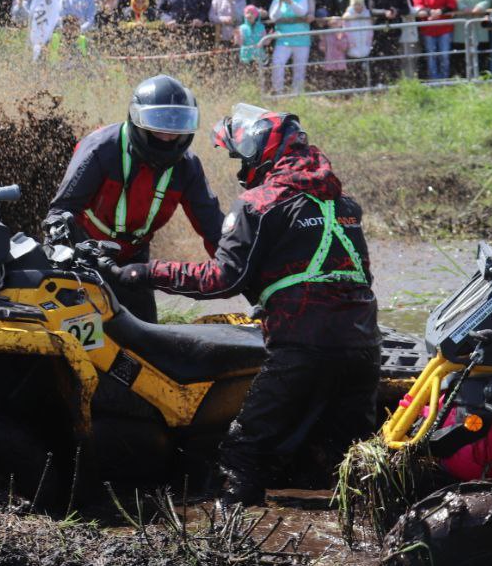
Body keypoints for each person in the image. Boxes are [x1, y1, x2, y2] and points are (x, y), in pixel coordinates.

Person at [104, 105, 378, 506]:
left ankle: (235, 536)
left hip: (301, 348)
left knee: (243, 451)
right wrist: (271, 298)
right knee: (346, 454)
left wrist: (144, 273)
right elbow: (354, 277)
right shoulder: (345, 204)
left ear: (259, 154)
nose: (239, 164)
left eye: (239, 155)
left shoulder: (259, 203)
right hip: (365, 346)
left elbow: (222, 278)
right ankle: (364, 532)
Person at [47, 76, 224, 323]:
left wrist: (243, 272)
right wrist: (72, 255)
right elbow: (61, 212)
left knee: (145, 341)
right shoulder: (100, 149)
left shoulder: (188, 166)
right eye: (159, 124)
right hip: (84, 255)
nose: (168, 135)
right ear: (137, 119)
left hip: (134, 262)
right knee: (79, 339)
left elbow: (214, 229)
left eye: (176, 125)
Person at [413, 0, 457, 80]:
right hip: (428, 28)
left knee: (444, 55)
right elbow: (417, 4)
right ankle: (434, 80)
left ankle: (444, 79)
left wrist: (440, 11)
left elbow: (452, 4)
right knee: (431, 56)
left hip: (444, 28)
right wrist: (430, 12)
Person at [269, 0, 311, 94]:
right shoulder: (277, 0)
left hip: (301, 39)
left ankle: (297, 94)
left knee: (299, 68)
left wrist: (290, 1)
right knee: (277, 64)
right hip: (283, 39)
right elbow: (273, 16)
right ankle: (278, 92)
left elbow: (302, 12)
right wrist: (280, 2)